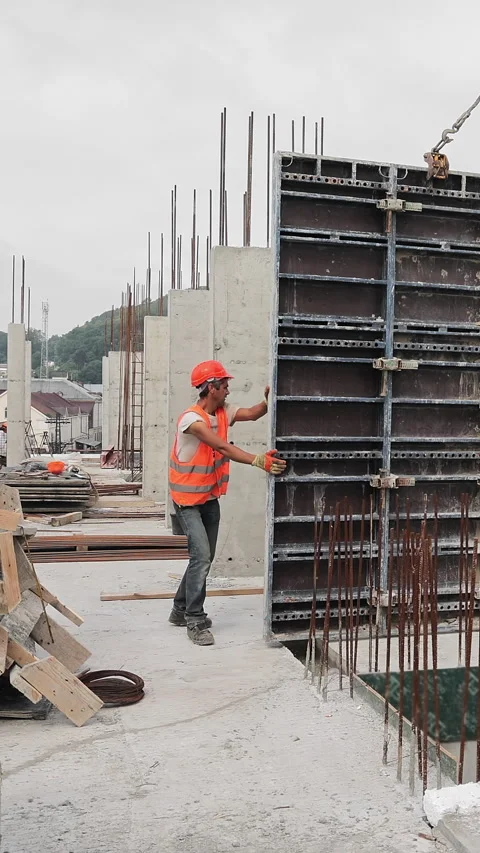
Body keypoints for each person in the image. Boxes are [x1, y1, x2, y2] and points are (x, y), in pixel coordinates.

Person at [168, 360, 286, 646]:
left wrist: (268, 400)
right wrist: (259, 461)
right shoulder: (191, 419)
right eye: (224, 384)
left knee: (202, 557)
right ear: (211, 388)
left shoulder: (222, 413)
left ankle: (178, 610)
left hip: (208, 497)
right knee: (202, 558)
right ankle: (194, 620)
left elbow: (253, 413)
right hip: (187, 501)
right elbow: (221, 447)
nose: (228, 388)